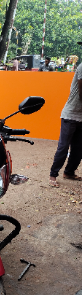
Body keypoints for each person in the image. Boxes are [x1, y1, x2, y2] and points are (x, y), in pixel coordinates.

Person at [49, 41, 82, 187]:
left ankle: (69, 172)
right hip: (70, 114)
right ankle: (53, 176)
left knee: (79, 148)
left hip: (81, 116)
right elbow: (81, 93)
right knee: (63, 146)